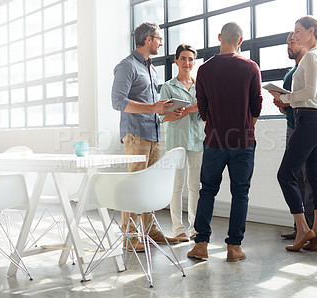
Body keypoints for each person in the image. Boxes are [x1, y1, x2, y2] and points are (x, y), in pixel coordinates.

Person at [187, 22, 263, 262]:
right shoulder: (251, 67)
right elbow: (256, 104)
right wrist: (246, 127)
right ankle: (234, 248)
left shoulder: (204, 70)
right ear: (240, 41)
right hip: (242, 140)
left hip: (214, 140)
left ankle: (201, 245)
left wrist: (216, 123)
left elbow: (202, 106)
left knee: (207, 190)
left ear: (219, 37)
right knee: (240, 193)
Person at [269, 16, 317, 252]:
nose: (294, 35)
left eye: (298, 31)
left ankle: (302, 228)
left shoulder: (311, 56)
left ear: (311, 31)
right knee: (315, 175)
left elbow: (308, 91)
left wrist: (285, 99)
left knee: (285, 174)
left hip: (309, 119)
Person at [111, 22, 182, 251]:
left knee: (150, 185)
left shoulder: (152, 68)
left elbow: (153, 106)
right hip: (136, 134)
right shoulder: (127, 66)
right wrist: (153, 107)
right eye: (159, 38)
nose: (162, 43)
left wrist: (168, 111)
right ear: (148, 39)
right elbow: (118, 102)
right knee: (135, 185)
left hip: (153, 133)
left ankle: (150, 231)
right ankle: (130, 238)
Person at [159, 44, 205, 242]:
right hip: (176, 141)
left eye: (190, 59)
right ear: (176, 61)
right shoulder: (168, 87)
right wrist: (176, 113)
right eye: (183, 59)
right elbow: (162, 117)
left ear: (194, 62)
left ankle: (195, 227)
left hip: (196, 140)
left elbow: (205, 111)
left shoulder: (200, 86)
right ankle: (178, 229)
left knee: (195, 186)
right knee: (176, 186)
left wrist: (194, 110)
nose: (187, 63)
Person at [275, 32, 314, 239]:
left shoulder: (309, 67)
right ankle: (300, 227)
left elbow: (311, 96)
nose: (289, 46)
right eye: (287, 43)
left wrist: (287, 100)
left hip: (305, 127)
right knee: (295, 179)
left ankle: (313, 228)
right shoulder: (290, 73)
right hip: (291, 126)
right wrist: (281, 104)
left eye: (293, 42)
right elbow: (288, 106)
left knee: (309, 178)